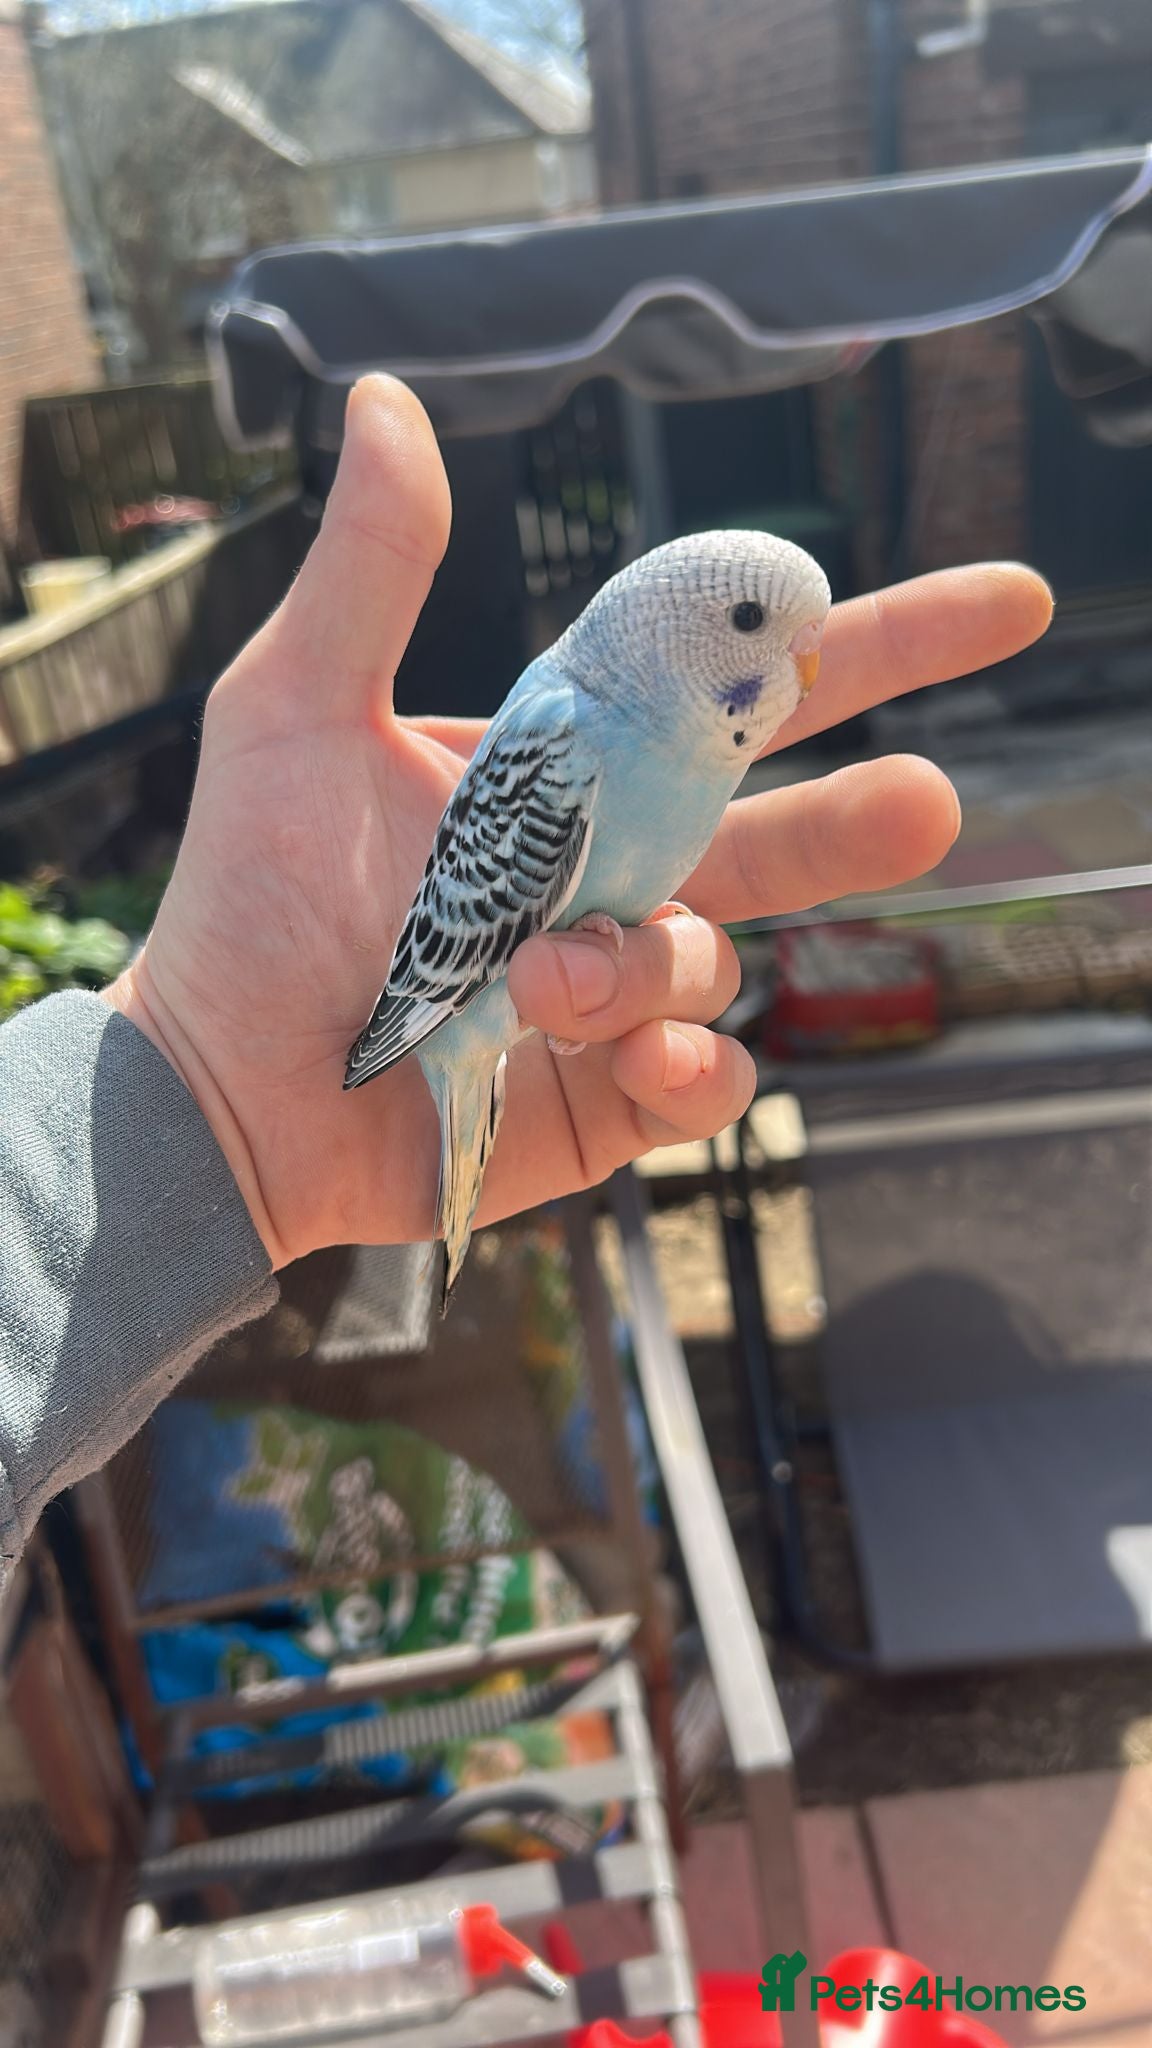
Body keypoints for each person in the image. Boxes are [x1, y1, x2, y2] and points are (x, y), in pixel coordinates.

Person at [0, 377, 1053, 1582]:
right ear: (677, 624)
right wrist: (209, 1088)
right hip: (457, 1012)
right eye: (761, 624)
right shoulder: (567, 738)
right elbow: (477, 923)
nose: (798, 663)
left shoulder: (689, 736)